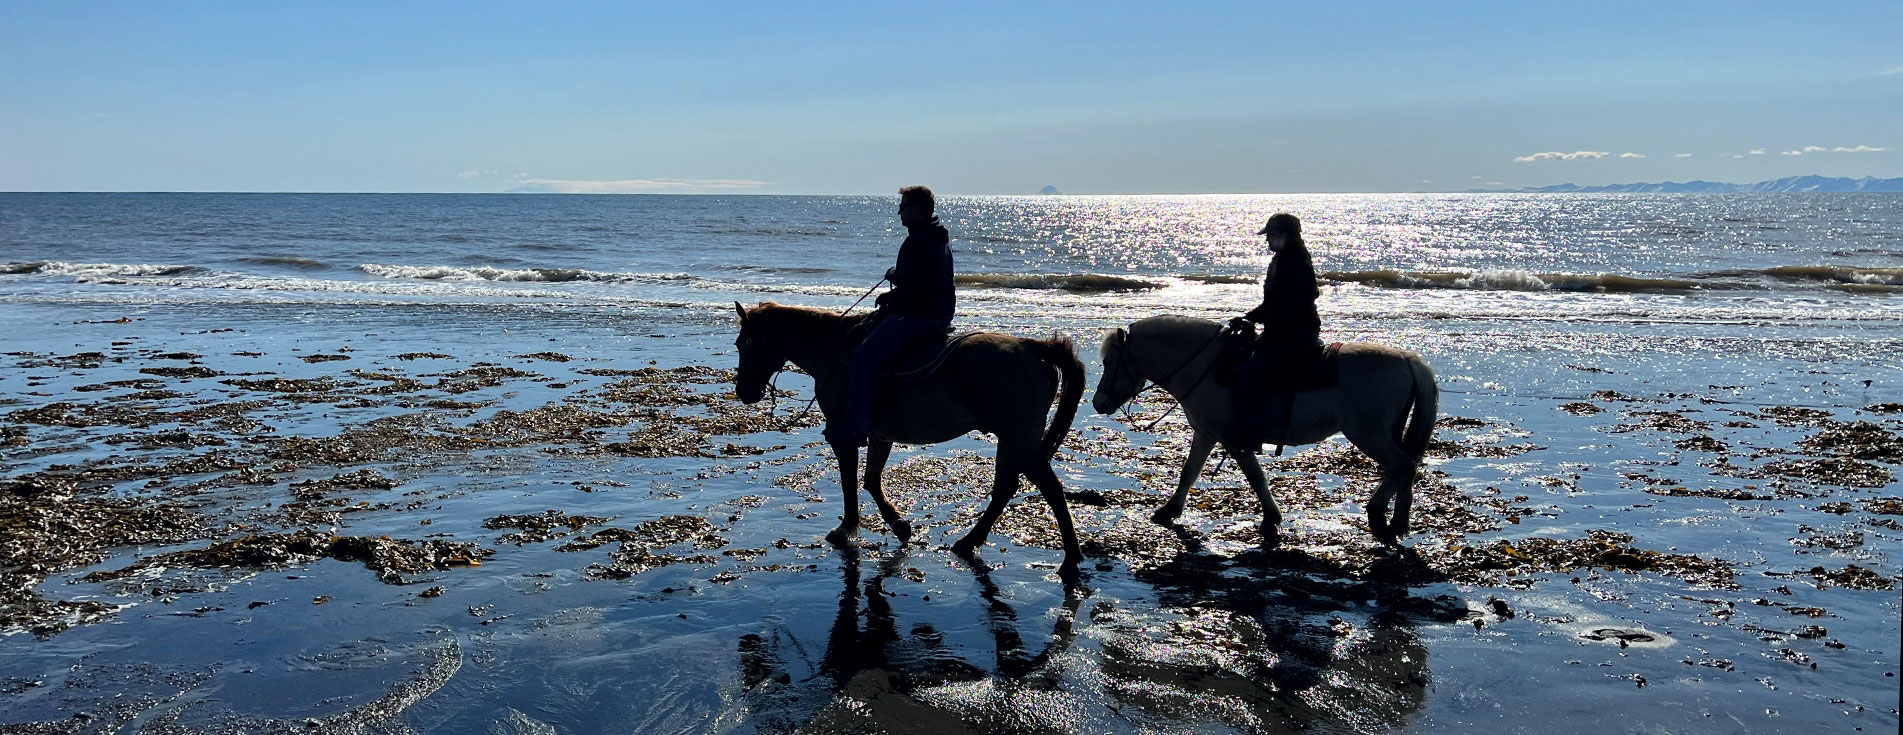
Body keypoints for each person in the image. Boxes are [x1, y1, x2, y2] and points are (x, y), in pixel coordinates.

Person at [827, 185, 955, 447]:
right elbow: (921, 282)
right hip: (936, 311)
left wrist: (895, 283)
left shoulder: (919, 240)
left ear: (918, 211)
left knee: (863, 356)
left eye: (904, 206)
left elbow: (918, 286)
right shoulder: (935, 237)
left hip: (921, 315)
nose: (899, 212)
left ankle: (857, 426)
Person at [1235, 212, 1322, 449]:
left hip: (1295, 331)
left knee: (1255, 370)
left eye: (1271, 235)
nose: (1267, 240)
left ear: (1285, 236)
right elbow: (1273, 303)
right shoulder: (1284, 259)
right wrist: (1249, 317)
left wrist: (1265, 320)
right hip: (1285, 329)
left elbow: (1293, 302)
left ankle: (1254, 429)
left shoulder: (1292, 262)